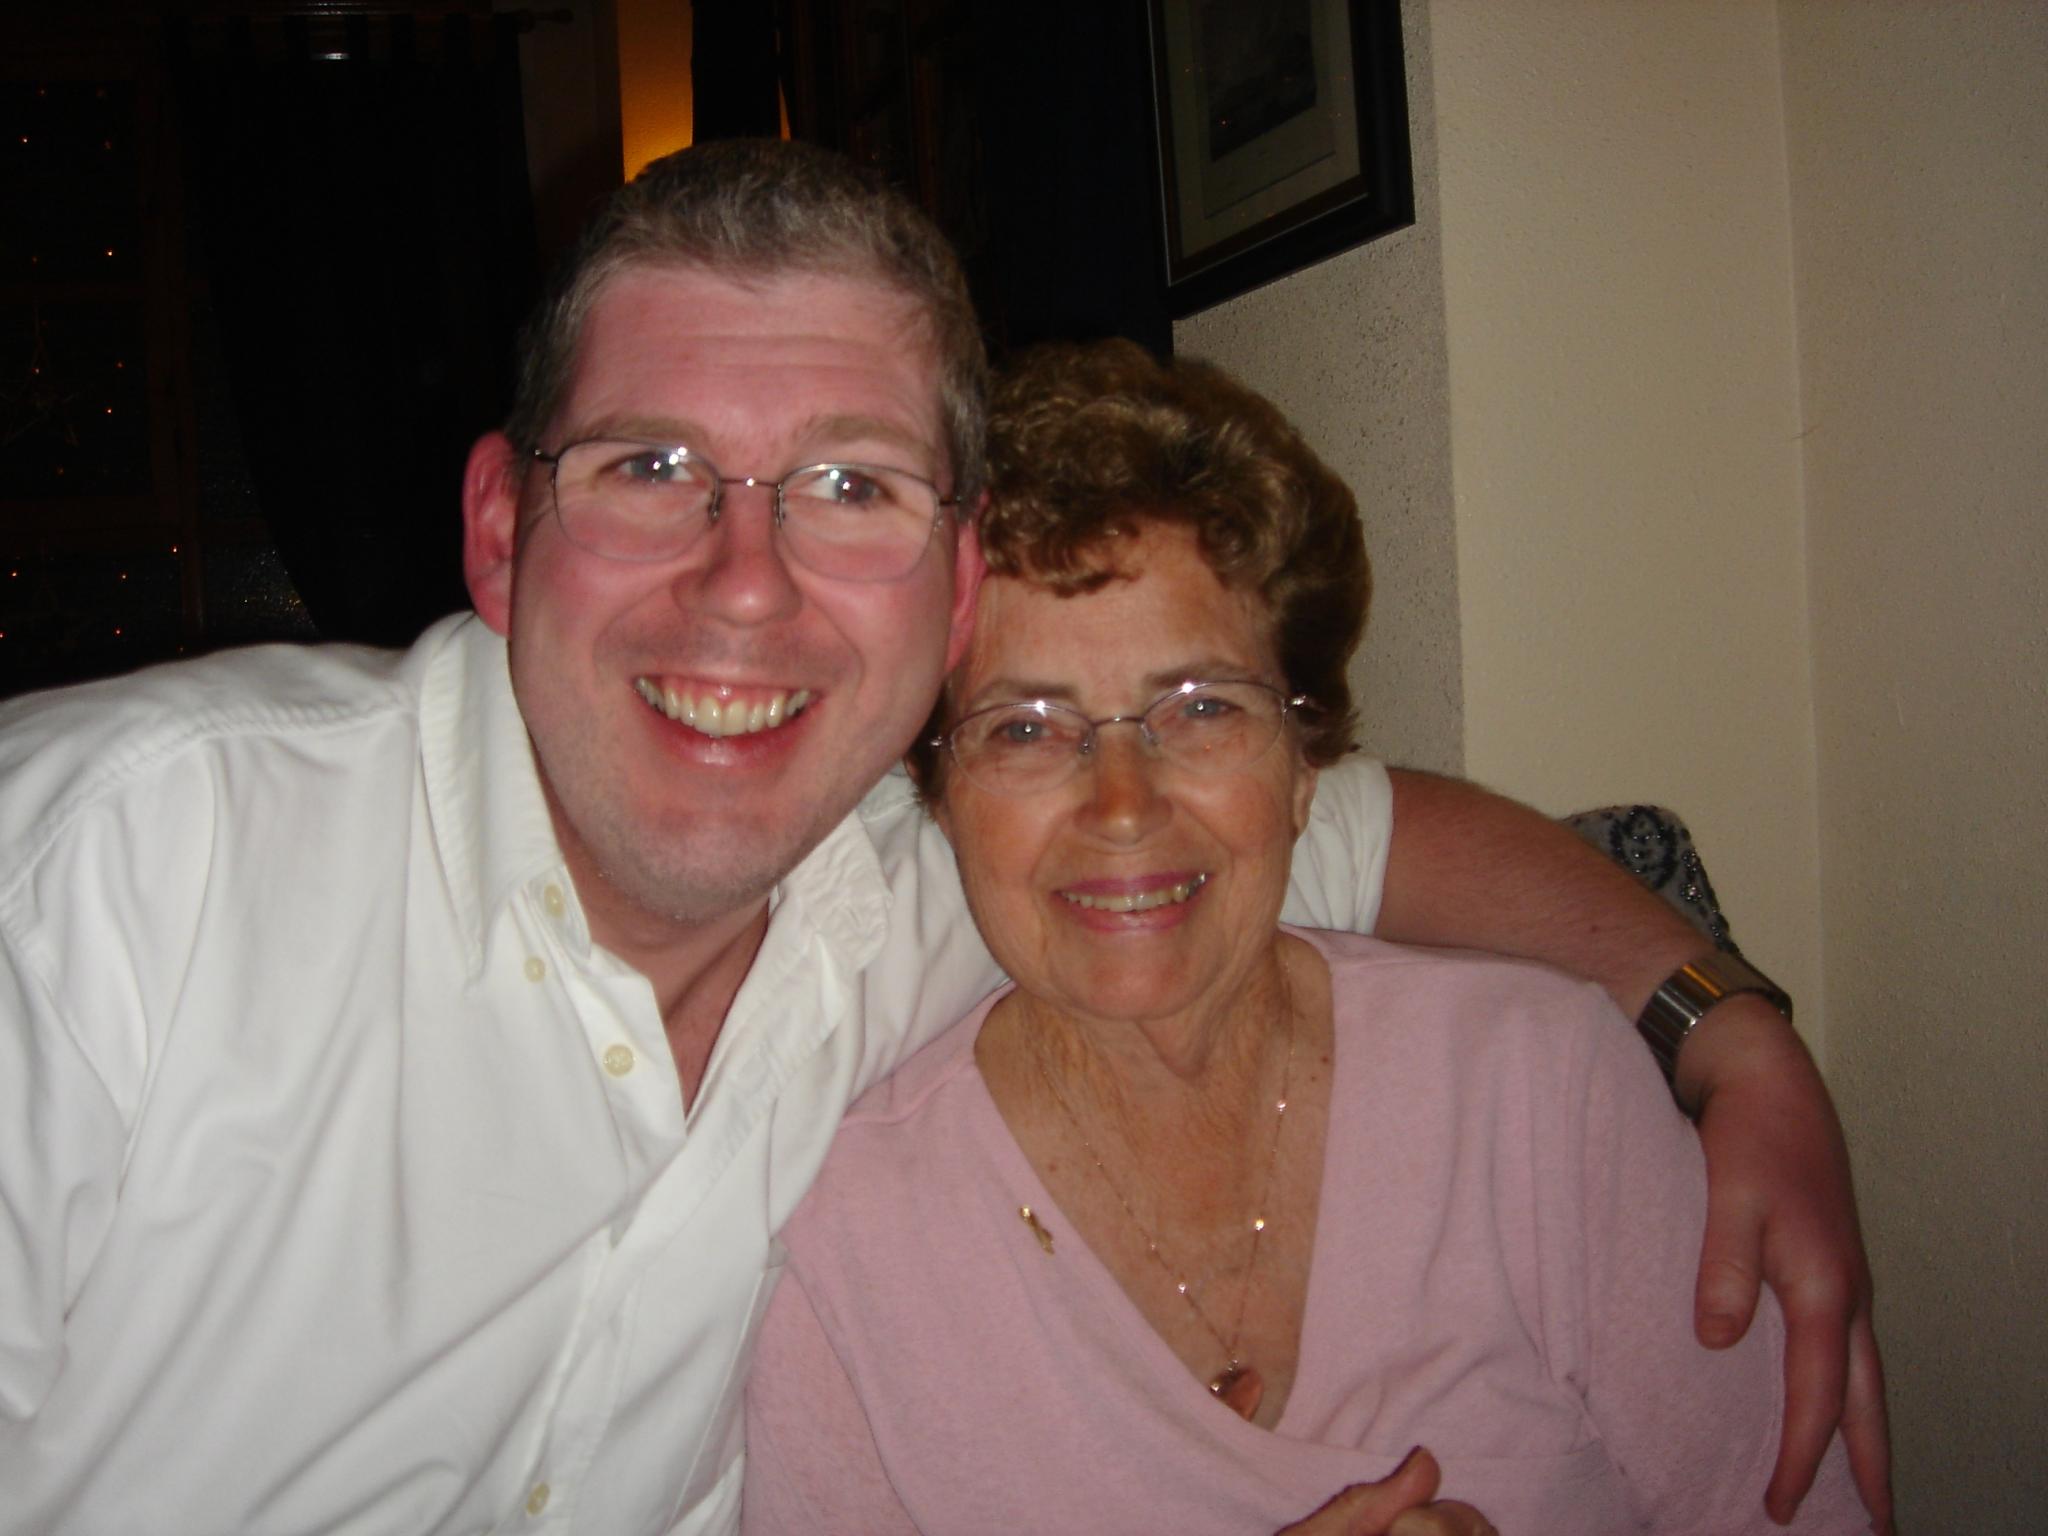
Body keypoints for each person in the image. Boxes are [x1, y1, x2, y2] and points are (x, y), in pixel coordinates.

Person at [0, 141, 1882, 1535]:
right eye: (651, 466)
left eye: (848, 483)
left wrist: (1727, 1033)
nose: (744, 583)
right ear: (500, 532)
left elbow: (1363, 838)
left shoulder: (952, 875)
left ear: (954, 584)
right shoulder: (101, 884)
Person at [741, 340, 1871, 1534]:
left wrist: (1737, 1035)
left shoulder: (1542, 1090)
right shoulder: (842, 1248)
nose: (1121, 805)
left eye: (1200, 710)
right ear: (935, 791)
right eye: (1023, 728)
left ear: (1301, 770)